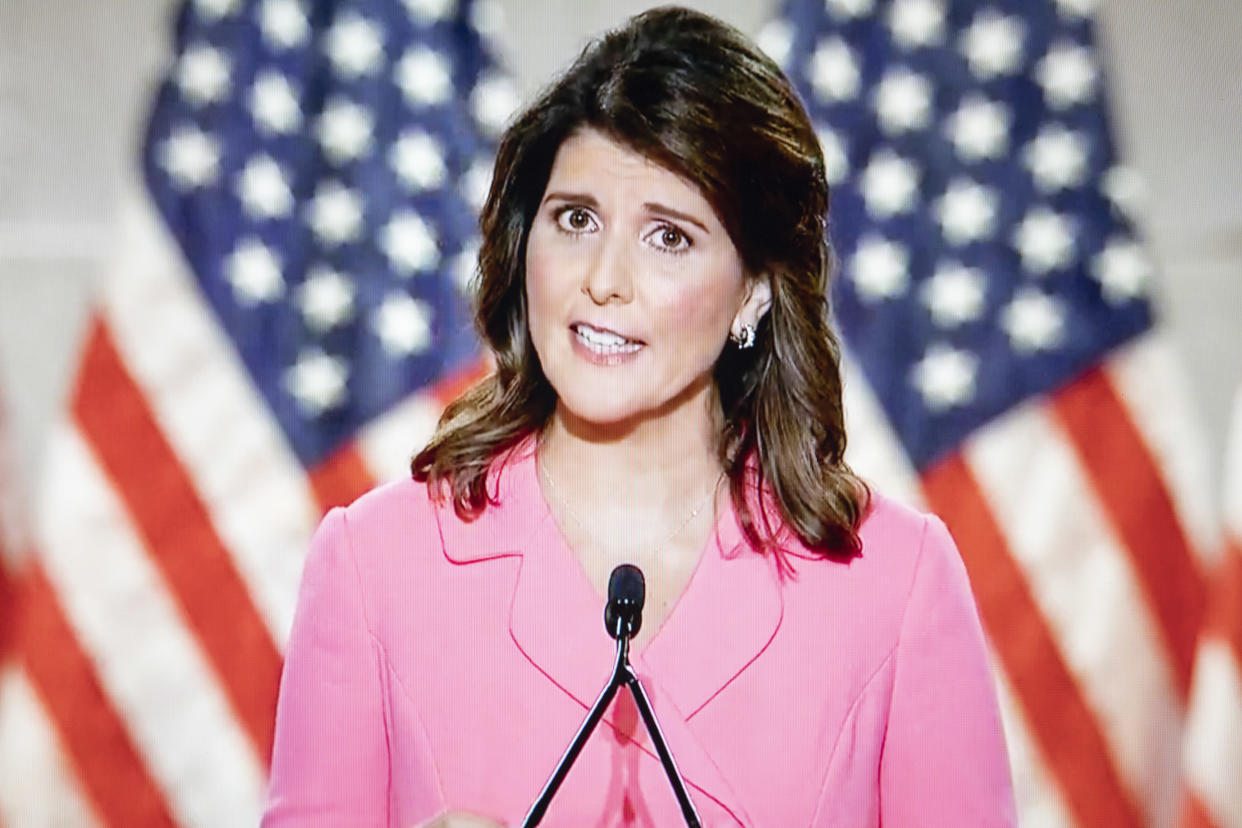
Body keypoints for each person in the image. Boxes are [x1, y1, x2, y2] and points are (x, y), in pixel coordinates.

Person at [261, 6, 1017, 827]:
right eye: (576, 219)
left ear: (755, 291)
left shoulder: (895, 583)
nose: (604, 279)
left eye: (669, 237)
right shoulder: (373, 567)